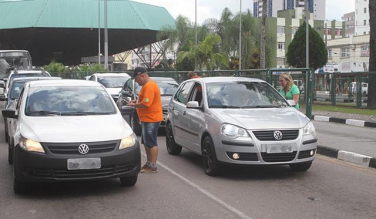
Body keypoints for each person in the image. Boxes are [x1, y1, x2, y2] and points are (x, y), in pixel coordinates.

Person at [127, 67, 163, 173]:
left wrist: (134, 105)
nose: (137, 82)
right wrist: (135, 102)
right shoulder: (146, 86)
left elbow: (146, 104)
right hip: (147, 118)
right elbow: (144, 100)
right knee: (147, 142)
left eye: (137, 79)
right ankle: (149, 163)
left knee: (151, 142)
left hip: (151, 118)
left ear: (142, 76)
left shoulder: (149, 86)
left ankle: (153, 165)